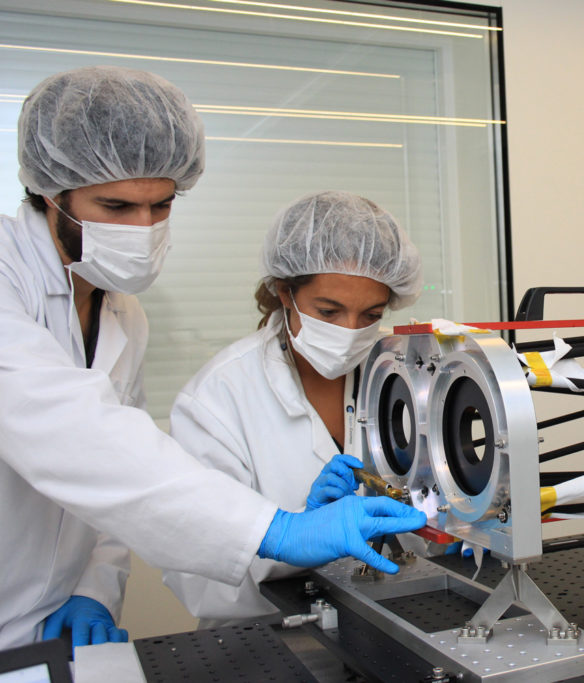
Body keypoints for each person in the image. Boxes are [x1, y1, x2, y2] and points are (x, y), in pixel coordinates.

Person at [0, 67, 425, 651]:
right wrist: (277, 529)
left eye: (161, 206)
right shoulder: (5, 277)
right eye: (116, 205)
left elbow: (117, 470)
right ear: (52, 191)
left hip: (46, 617)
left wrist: (94, 585)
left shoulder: (122, 313)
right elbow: (67, 431)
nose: (143, 229)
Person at [162, 190, 423, 625]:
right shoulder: (218, 396)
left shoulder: (402, 373)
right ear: (285, 291)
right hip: (270, 640)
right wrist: (293, 533)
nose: (350, 331)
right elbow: (199, 579)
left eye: (370, 314)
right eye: (329, 310)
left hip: (399, 619)